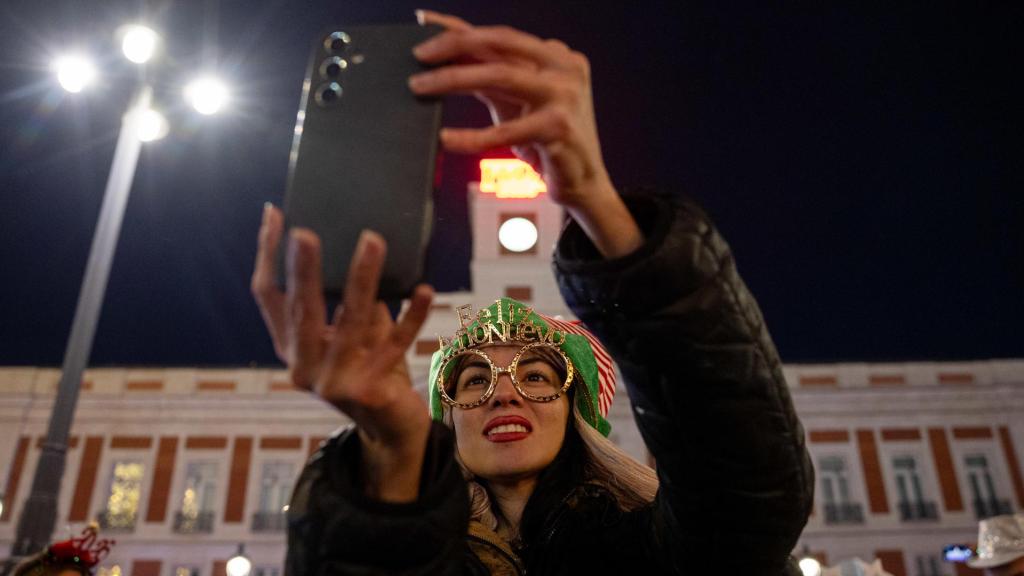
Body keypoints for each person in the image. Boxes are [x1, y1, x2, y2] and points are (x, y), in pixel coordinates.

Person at [251, 10, 813, 575]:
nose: (503, 394)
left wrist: (597, 201)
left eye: (538, 376)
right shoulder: (425, 559)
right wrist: (394, 452)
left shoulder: (654, 551)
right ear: (445, 419)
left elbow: (740, 492)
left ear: (578, 410)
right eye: (473, 381)